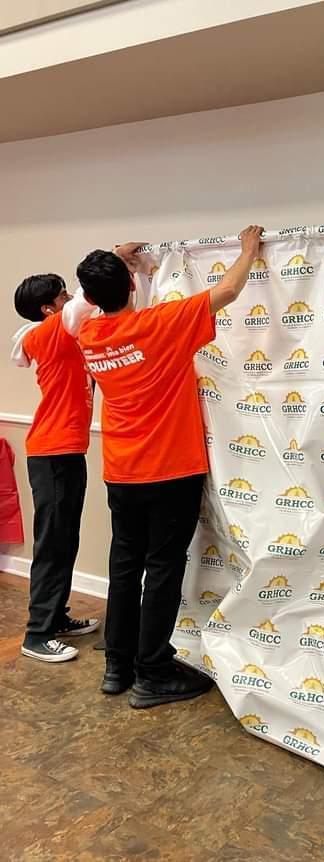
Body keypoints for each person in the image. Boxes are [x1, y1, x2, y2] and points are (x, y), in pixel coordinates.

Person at [71, 225, 263, 709]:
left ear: (91, 298)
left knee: (124, 566)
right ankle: (152, 671)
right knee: (161, 568)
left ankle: (118, 664)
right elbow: (228, 291)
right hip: (170, 471)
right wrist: (248, 250)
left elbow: (91, 301)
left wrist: (116, 260)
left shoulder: (89, 333)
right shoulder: (161, 323)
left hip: (121, 472)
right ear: (130, 285)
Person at [11, 245, 142, 663]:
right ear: (48, 309)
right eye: (63, 295)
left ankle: (57, 617)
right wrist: (114, 257)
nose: (71, 299)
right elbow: (86, 301)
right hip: (51, 452)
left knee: (65, 538)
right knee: (53, 543)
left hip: (65, 450)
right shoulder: (50, 331)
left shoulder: (62, 334)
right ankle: (37, 634)